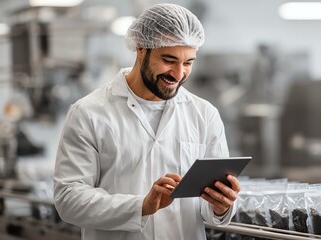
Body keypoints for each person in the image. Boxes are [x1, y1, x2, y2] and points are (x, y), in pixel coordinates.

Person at [53, 3, 240, 240]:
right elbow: (68, 199)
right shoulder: (89, 113)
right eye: (169, 60)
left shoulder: (204, 114)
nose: (178, 73)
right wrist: (141, 206)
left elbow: (210, 210)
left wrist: (221, 206)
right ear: (141, 49)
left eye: (188, 62)